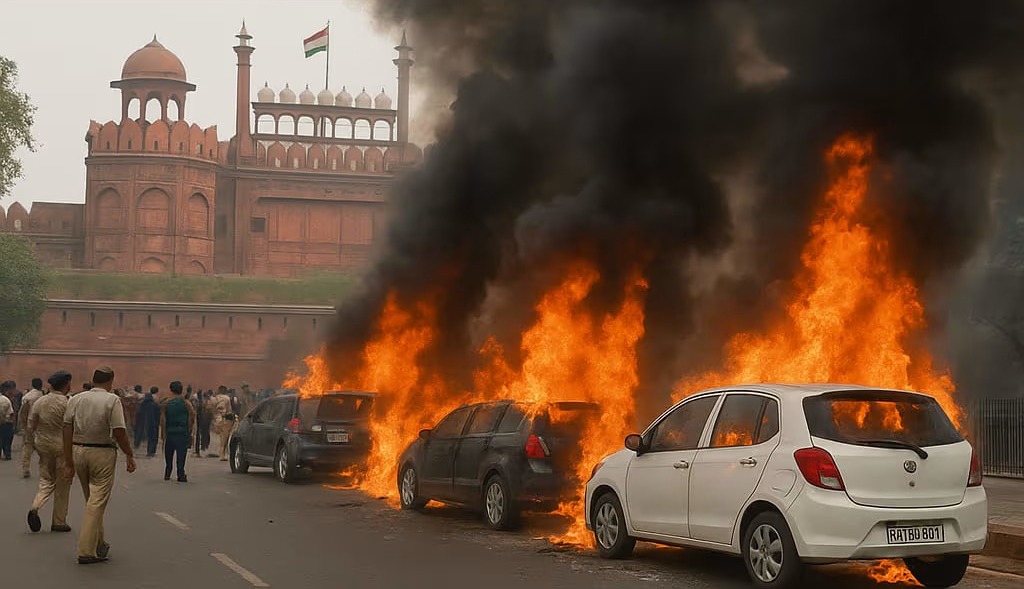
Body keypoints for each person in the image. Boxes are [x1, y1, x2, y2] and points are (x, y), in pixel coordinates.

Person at [63, 366, 136, 565]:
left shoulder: (76, 398)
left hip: (78, 450)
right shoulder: (112, 400)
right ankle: (86, 550)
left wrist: (69, 461)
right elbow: (119, 431)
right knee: (96, 501)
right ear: (110, 381)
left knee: (92, 502)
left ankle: (99, 543)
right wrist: (129, 454)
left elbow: (67, 429)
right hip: (102, 452)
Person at [27, 370, 74, 533]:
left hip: (43, 446)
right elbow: (73, 426)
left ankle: (35, 506)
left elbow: (30, 425)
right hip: (62, 447)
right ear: (66, 385)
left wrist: (33, 443)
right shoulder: (68, 403)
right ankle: (59, 521)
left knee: (46, 479)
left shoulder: (40, 401)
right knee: (63, 483)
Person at [160, 381, 195, 482]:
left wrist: (163, 434)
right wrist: (189, 431)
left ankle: (167, 473)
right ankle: (181, 474)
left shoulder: (166, 403)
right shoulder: (186, 403)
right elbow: (192, 417)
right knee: (181, 455)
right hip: (182, 433)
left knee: (168, 454)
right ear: (181, 390)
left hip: (170, 432)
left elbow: (163, 420)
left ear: (171, 389)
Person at [19, 377, 45, 478]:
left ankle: (26, 468)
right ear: (41, 385)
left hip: (30, 426)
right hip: (42, 427)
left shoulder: (27, 397)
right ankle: (43, 469)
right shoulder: (43, 397)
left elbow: (23, 413)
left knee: (27, 447)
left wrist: (23, 426)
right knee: (43, 449)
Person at [210, 386, 234, 461]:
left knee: (221, 437)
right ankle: (222, 454)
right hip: (225, 419)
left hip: (217, 419)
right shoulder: (227, 398)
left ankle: (222, 453)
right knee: (225, 437)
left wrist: (214, 419)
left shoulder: (214, 399)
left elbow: (212, 409)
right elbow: (229, 410)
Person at [0, 381, 15, 460]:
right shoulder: (5, 400)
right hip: (6, 423)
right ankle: (7, 454)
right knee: (7, 440)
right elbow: (11, 413)